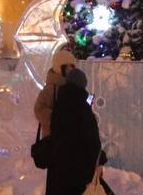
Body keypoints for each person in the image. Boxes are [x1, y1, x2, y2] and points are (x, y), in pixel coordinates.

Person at [43, 67, 102, 195]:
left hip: (58, 166)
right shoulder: (83, 107)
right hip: (79, 169)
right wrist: (99, 159)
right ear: (82, 85)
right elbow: (92, 140)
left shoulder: (59, 104)